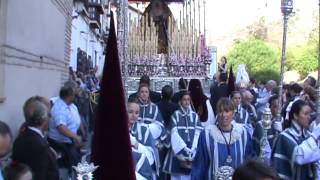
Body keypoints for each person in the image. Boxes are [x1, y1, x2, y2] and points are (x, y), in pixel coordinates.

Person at [191, 98, 253, 180]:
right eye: (220, 111)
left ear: (233, 113)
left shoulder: (243, 134)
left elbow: (248, 162)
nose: (224, 115)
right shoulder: (206, 135)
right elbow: (200, 165)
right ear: (217, 113)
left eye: (227, 111)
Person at [12, 96, 59, 180]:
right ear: (43, 119)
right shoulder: (39, 146)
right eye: (49, 115)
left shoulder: (21, 137)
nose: (50, 118)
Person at [271, 100, 320, 179]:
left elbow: (316, 156)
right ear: (295, 115)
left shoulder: (308, 135)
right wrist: (314, 135)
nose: (309, 117)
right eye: (305, 114)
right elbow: (299, 158)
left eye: (310, 114)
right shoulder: (284, 136)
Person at [163, 91, 203, 180]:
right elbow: (173, 133)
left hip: (192, 152)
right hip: (178, 151)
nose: (186, 102)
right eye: (184, 100)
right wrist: (182, 148)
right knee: (176, 177)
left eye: (188, 100)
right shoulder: (175, 115)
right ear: (180, 101)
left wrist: (193, 148)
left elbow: (199, 133)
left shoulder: (194, 116)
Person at [47, 85, 82, 175]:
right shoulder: (60, 108)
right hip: (60, 145)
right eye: (73, 95)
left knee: (74, 163)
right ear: (69, 95)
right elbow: (61, 127)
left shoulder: (66, 105)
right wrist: (76, 137)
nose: (75, 96)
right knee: (67, 167)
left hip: (67, 142)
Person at [128, 98, 155, 180]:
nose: (133, 115)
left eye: (136, 113)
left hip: (142, 172)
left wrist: (136, 144)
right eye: (130, 112)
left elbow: (151, 157)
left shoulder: (144, 130)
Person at [252, 95, 282, 162]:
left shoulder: (282, 122)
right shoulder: (261, 125)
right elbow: (265, 150)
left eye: (280, 106)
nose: (278, 109)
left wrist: (281, 132)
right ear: (269, 107)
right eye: (275, 106)